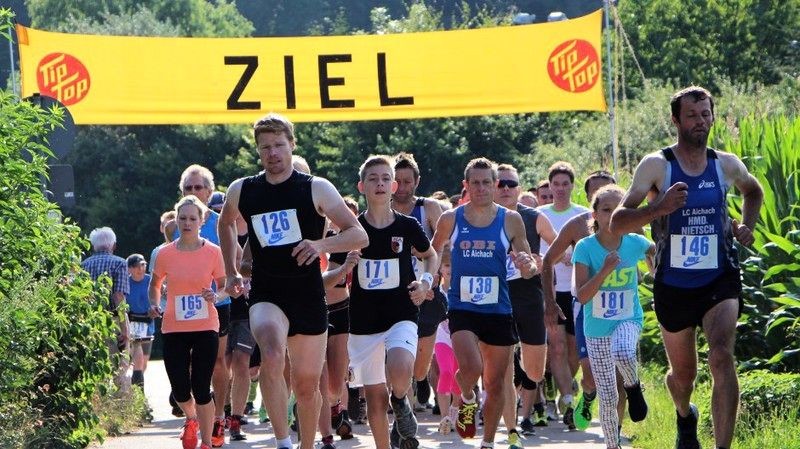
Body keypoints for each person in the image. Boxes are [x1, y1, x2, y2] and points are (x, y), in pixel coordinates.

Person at [610, 86, 763, 449]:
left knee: (721, 355)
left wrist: (747, 226)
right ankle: (684, 414)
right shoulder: (656, 165)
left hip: (719, 277)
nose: (700, 121)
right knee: (683, 377)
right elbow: (617, 222)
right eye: (692, 115)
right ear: (676, 120)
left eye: (705, 114)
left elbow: (753, 191)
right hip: (674, 284)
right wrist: (658, 209)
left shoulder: (725, 163)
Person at [218, 113, 368, 449]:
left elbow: (359, 235)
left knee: (306, 387)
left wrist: (321, 245)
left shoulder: (316, 188)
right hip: (267, 292)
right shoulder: (243, 189)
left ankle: (306, 444)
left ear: (292, 145)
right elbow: (225, 223)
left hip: (308, 294)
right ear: (258, 150)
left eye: (279, 145)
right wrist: (231, 270)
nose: (272, 153)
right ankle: (283, 442)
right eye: (265, 147)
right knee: (271, 353)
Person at [431, 157, 539, 449]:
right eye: (475, 183)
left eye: (486, 182)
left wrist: (527, 265)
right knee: (471, 367)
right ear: (466, 186)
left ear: (495, 184)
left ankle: (488, 442)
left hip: (498, 309)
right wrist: (429, 279)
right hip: (462, 306)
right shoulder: (451, 219)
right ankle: (467, 397)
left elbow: (528, 263)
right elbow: (433, 253)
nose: (481, 188)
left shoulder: (510, 219)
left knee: (495, 383)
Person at [346, 155, 438, 449]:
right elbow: (332, 272)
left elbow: (431, 255)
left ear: (394, 186)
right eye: (373, 179)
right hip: (363, 321)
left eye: (386, 178)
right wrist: (344, 268)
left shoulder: (408, 225)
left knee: (400, 370)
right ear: (361, 186)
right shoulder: (352, 229)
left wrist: (425, 283)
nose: (380, 184)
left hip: (401, 312)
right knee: (375, 399)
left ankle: (400, 400)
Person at [573, 185, 653, 449]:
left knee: (623, 352)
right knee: (608, 396)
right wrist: (605, 270)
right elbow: (582, 296)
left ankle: (633, 385)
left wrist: (655, 267)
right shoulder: (585, 247)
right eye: (606, 210)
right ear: (595, 215)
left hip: (628, 318)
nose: (612, 215)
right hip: (596, 328)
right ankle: (612, 445)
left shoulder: (635, 242)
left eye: (619, 209)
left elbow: (658, 251)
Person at [149, 196, 228, 449]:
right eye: (182, 218)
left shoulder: (213, 252)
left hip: (206, 326)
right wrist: (154, 303)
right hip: (174, 327)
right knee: (180, 391)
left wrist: (216, 296)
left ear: (201, 221)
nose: (187, 223)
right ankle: (192, 418)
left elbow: (224, 286)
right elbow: (155, 284)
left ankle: (207, 442)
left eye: (192, 218)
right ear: (176, 220)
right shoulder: (164, 254)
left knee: (201, 387)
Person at [542, 169, 618, 431]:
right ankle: (578, 396)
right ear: (588, 197)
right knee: (578, 363)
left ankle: (614, 430)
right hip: (583, 302)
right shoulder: (577, 224)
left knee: (616, 370)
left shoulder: (628, 224)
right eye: (597, 191)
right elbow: (548, 260)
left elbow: (649, 252)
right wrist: (549, 300)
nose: (604, 195)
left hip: (620, 306)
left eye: (609, 189)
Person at [493, 163, 557, 444]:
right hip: (497, 299)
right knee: (503, 371)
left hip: (529, 297)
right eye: (501, 183)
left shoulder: (534, 218)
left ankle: (523, 362)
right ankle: (511, 430)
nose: (506, 188)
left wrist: (543, 262)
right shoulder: (482, 218)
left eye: (511, 184)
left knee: (535, 371)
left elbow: (559, 245)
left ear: (519, 189)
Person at [174, 164, 232, 447]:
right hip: (185, 304)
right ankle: (193, 417)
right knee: (185, 364)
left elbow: (235, 256)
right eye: (189, 187)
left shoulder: (221, 222)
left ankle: (218, 417)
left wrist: (226, 285)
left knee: (218, 362)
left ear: (209, 192)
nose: (194, 191)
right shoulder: (177, 222)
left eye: (199, 187)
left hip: (216, 301)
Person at [537, 161, 589, 429]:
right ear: (549, 185)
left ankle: (564, 387)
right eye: (555, 184)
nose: (559, 189)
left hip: (577, 290)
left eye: (565, 184)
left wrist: (575, 257)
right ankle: (569, 401)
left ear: (572, 186)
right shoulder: (539, 215)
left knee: (573, 351)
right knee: (555, 347)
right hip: (550, 290)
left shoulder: (583, 216)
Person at [391, 152, 445, 411]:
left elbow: (441, 246)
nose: (402, 187)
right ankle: (402, 405)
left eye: (407, 182)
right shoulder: (382, 209)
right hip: (395, 290)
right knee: (396, 352)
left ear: (417, 182)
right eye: (398, 181)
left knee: (421, 362)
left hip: (427, 288)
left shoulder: (429, 208)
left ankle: (421, 377)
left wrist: (431, 279)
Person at [322, 197, 360, 441]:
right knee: (317, 373)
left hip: (340, 308)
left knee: (336, 381)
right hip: (312, 309)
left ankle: (337, 405)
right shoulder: (306, 238)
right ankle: (325, 426)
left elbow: (334, 279)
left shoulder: (345, 241)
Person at [81, 227, 130, 390]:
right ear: (113, 245)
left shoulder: (83, 265)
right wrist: (124, 329)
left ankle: (98, 400)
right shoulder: (119, 263)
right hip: (113, 320)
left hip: (90, 322)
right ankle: (121, 402)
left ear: (93, 245)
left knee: (96, 368)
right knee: (120, 368)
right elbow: (118, 296)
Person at [126, 253, 154, 390]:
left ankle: (135, 388)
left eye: (143, 265)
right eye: (137, 266)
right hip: (130, 324)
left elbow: (160, 295)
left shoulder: (150, 281)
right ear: (129, 269)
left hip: (147, 325)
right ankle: (137, 391)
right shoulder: (125, 282)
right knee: (135, 360)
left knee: (144, 362)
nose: (141, 269)